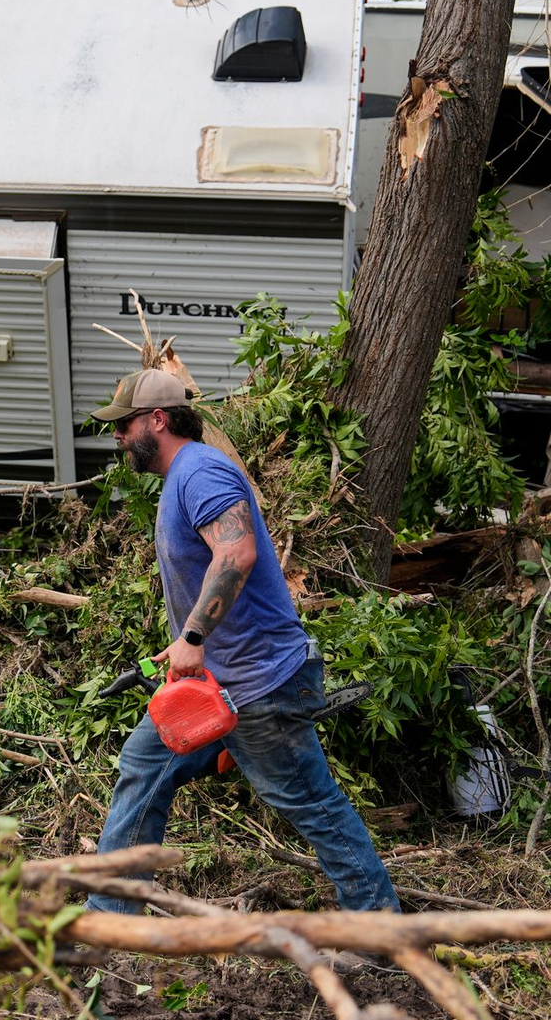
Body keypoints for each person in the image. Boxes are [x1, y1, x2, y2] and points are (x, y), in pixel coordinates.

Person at [87, 367, 399, 913]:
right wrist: (188, 650)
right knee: (143, 766)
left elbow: (237, 554)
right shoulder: (181, 478)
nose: (117, 436)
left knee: (312, 806)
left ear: (157, 420)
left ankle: (378, 932)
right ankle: (110, 918)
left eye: (124, 424)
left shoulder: (201, 472)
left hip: (259, 688)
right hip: (213, 686)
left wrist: (193, 634)